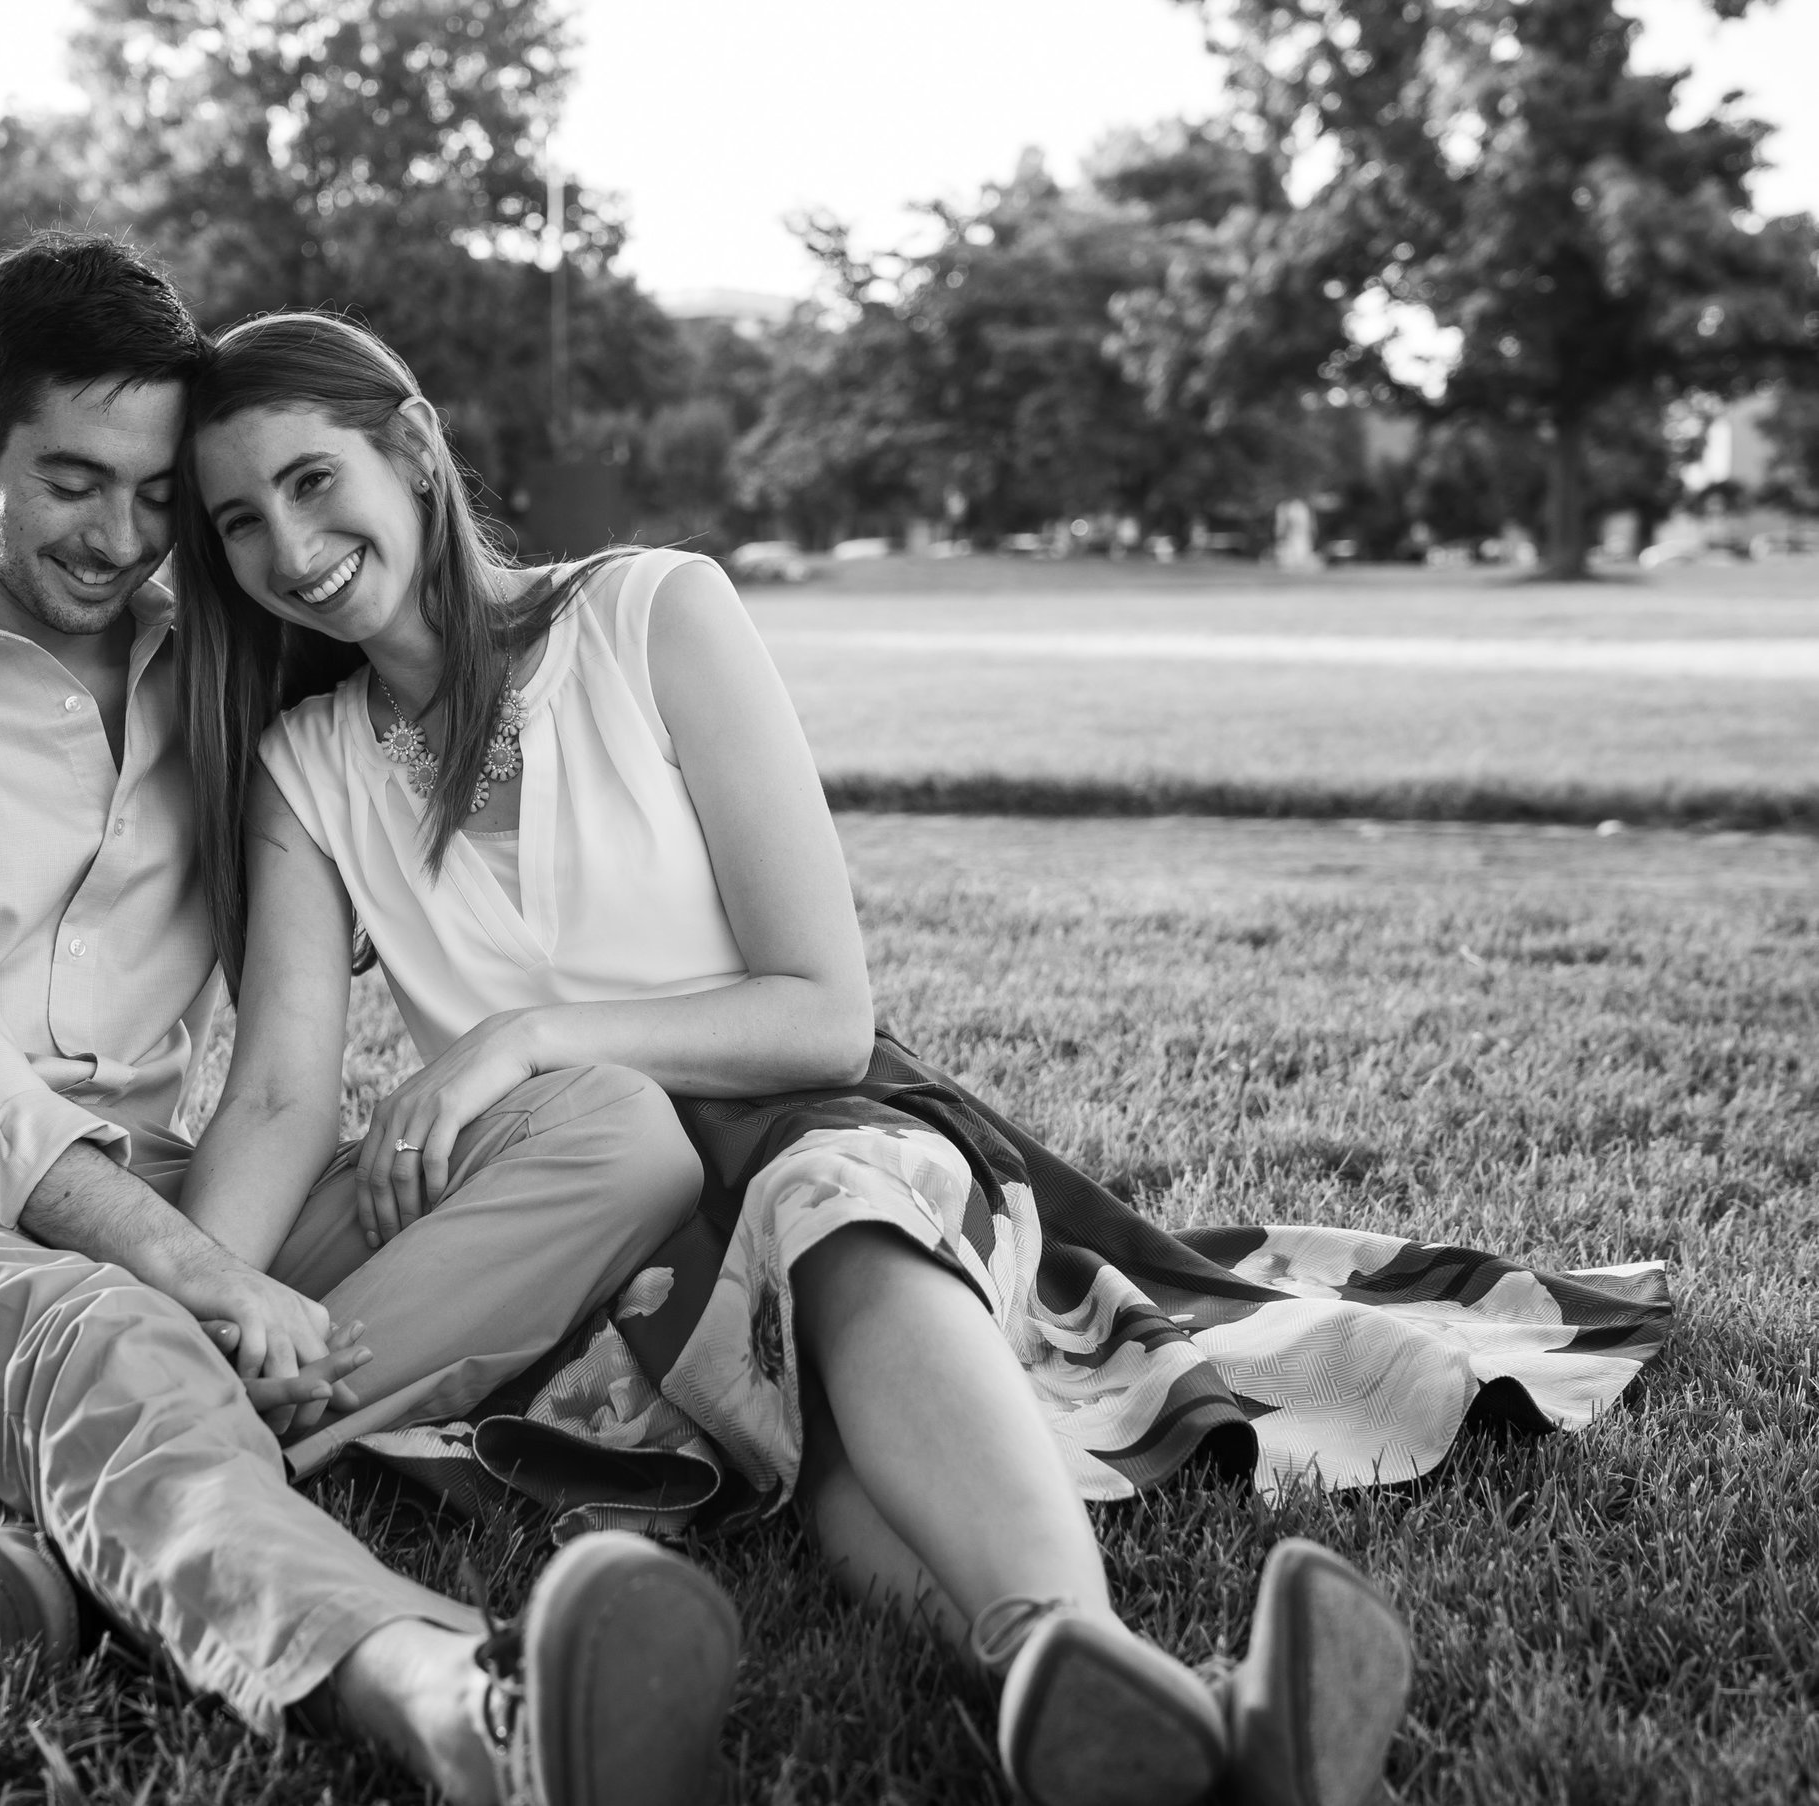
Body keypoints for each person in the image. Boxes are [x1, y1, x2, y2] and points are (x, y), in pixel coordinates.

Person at [167, 312, 1673, 1806]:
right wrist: (185, 1311)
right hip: (605, 1232)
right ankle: (1165, 1725)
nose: (288, 547)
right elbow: (287, 1090)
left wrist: (528, 1033)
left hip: (814, 1123)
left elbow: (821, 1008)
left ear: (414, 452)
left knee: (838, 1227)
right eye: (238, 520)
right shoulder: (308, 769)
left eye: (312, 482)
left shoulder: (649, 617)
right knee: (823, 1457)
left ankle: (1075, 1657)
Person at [0, 231, 743, 1806]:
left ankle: (70, 1510)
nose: (120, 538)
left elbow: (319, 979)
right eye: (71, 480)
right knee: (105, 1321)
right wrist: (197, 1277)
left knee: (612, 1132)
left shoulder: (227, 680)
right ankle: (459, 1701)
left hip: (172, 1183)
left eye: (157, 495)